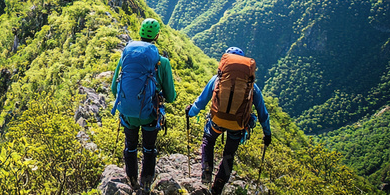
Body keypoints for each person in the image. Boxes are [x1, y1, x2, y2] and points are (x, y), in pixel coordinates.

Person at [186, 47, 272, 195]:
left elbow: (201, 101)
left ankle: (206, 169)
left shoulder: (217, 80)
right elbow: (262, 112)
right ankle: (218, 185)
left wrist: (191, 113)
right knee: (228, 155)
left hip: (216, 122)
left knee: (208, 140)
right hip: (237, 125)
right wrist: (267, 133)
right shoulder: (252, 86)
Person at [111, 18, 177, 193]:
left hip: (128, 114)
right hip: (149, 114)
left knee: (130, 146)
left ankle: (131, 180)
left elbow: (113, 88)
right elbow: (170, 97)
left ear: (140, 32)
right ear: (157, 36)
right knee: (149, 148)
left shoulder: (125, 56)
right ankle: (146, 184)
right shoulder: (162, 62)